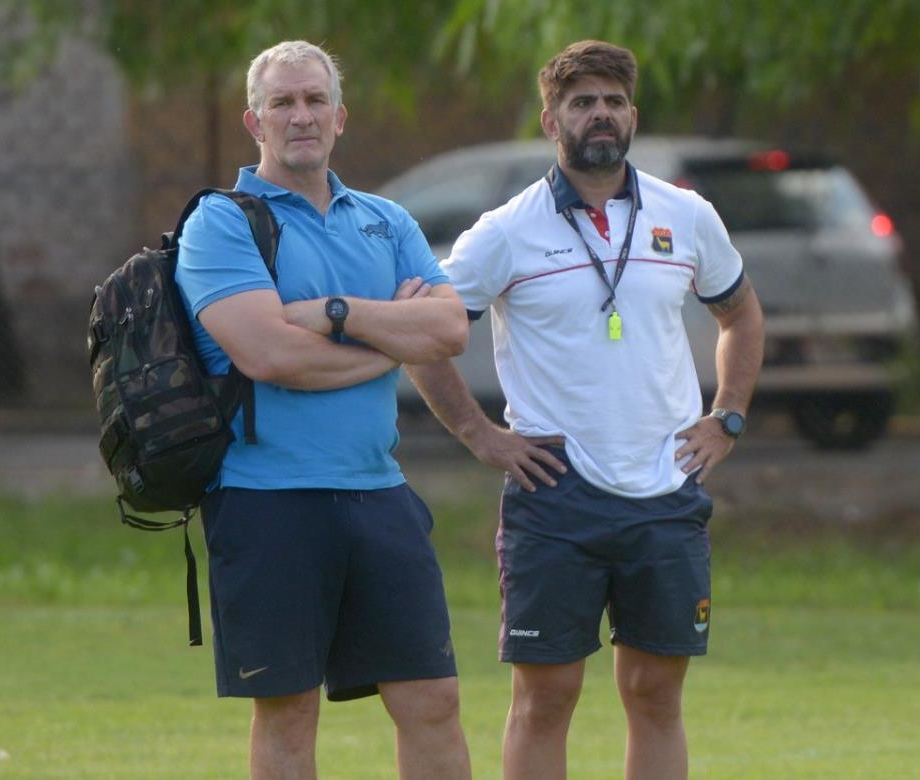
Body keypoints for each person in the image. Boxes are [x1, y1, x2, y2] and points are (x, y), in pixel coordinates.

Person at [406, 39, 764, 780]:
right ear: (551, 119)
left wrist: (727, 416)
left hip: (666, 490)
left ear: (631, 115)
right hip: (554, 493)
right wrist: (480, 434)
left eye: (611, 101)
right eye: (581, 103)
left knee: (656, 694)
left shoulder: (686, 214)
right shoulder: (504, 231)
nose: (598, 114)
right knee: (545, 699)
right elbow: (425, 339)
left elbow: (742, 314)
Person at [174, 40, 472, 780]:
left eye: (314, 101)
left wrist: (334, 311)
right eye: (283, 102)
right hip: (265, 499)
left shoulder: (387, 220)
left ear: (340, 118)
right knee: (288, 711)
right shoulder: (220, 224)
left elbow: (450, 329)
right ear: (255, 120)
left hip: (379, 492)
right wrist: (390, 338)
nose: (300, 115)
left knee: (432, 698)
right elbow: (272, 357)